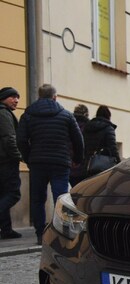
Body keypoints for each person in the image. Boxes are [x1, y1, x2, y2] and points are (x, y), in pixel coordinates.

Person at [16, 84, 84, 245]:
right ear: (55, 97)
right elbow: (78, 140)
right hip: (60, 161)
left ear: (39, 96)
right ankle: (63, 233)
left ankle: (40, 234)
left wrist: (28, 157)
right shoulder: (66, 115)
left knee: (38, 199)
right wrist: (77, 159)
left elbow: (21, 140)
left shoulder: (28, 115)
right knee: (61, 198)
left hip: (38, 162)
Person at [0, 87, 22, 240]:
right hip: (7, 161)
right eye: (13, 97)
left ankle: (6, 229)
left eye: (17, 97)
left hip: (3, 160)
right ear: (3, 98)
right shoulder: (3, 113)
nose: (16, 100)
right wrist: (19, 155)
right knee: (13, 193)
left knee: (3, 193)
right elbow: (9, 138)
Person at [77, 105, 120, 182]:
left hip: (87, 164)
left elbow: (83, 144)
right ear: (108, 116)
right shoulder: (108, 128)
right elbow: (113, 147)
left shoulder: (88, 127)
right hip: (102, 165)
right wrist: (119, 162)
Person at [69, 104, 90, 187]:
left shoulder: (68, 124)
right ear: (86, 114)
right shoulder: (89, 126)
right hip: (84, 164)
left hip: (69, 163)